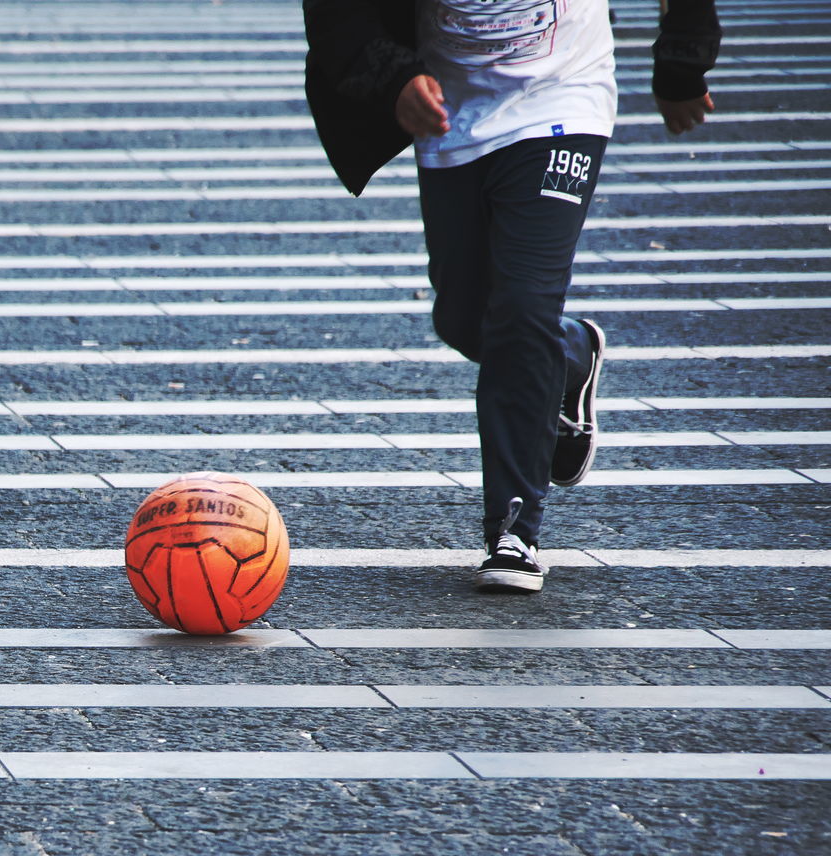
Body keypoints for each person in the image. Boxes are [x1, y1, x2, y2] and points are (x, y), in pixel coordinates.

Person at [303, 1, 721, 592]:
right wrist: (391, 77)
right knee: (465, 318)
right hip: (451, 104)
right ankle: (568, 354)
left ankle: (514, 528)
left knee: (522, 310)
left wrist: (683, 61)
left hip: (563, 95)